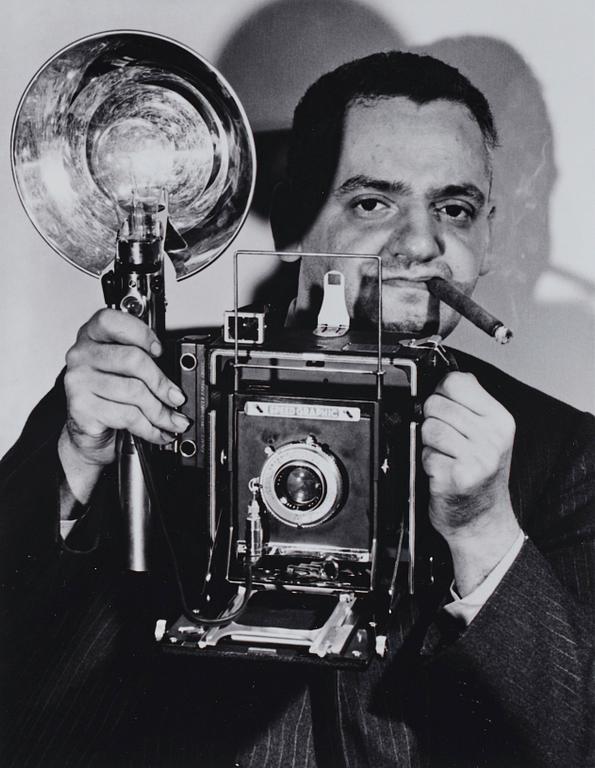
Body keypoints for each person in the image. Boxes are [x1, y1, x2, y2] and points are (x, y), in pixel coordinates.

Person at [1, 51, 593, 768]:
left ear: (487, 238)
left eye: (454, 209)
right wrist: (77, 465)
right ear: (290, 221)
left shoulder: (562, 454)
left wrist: (486, 536)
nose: (420, 244)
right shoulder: (142, 385)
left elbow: (573, 740)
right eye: (372, 203)